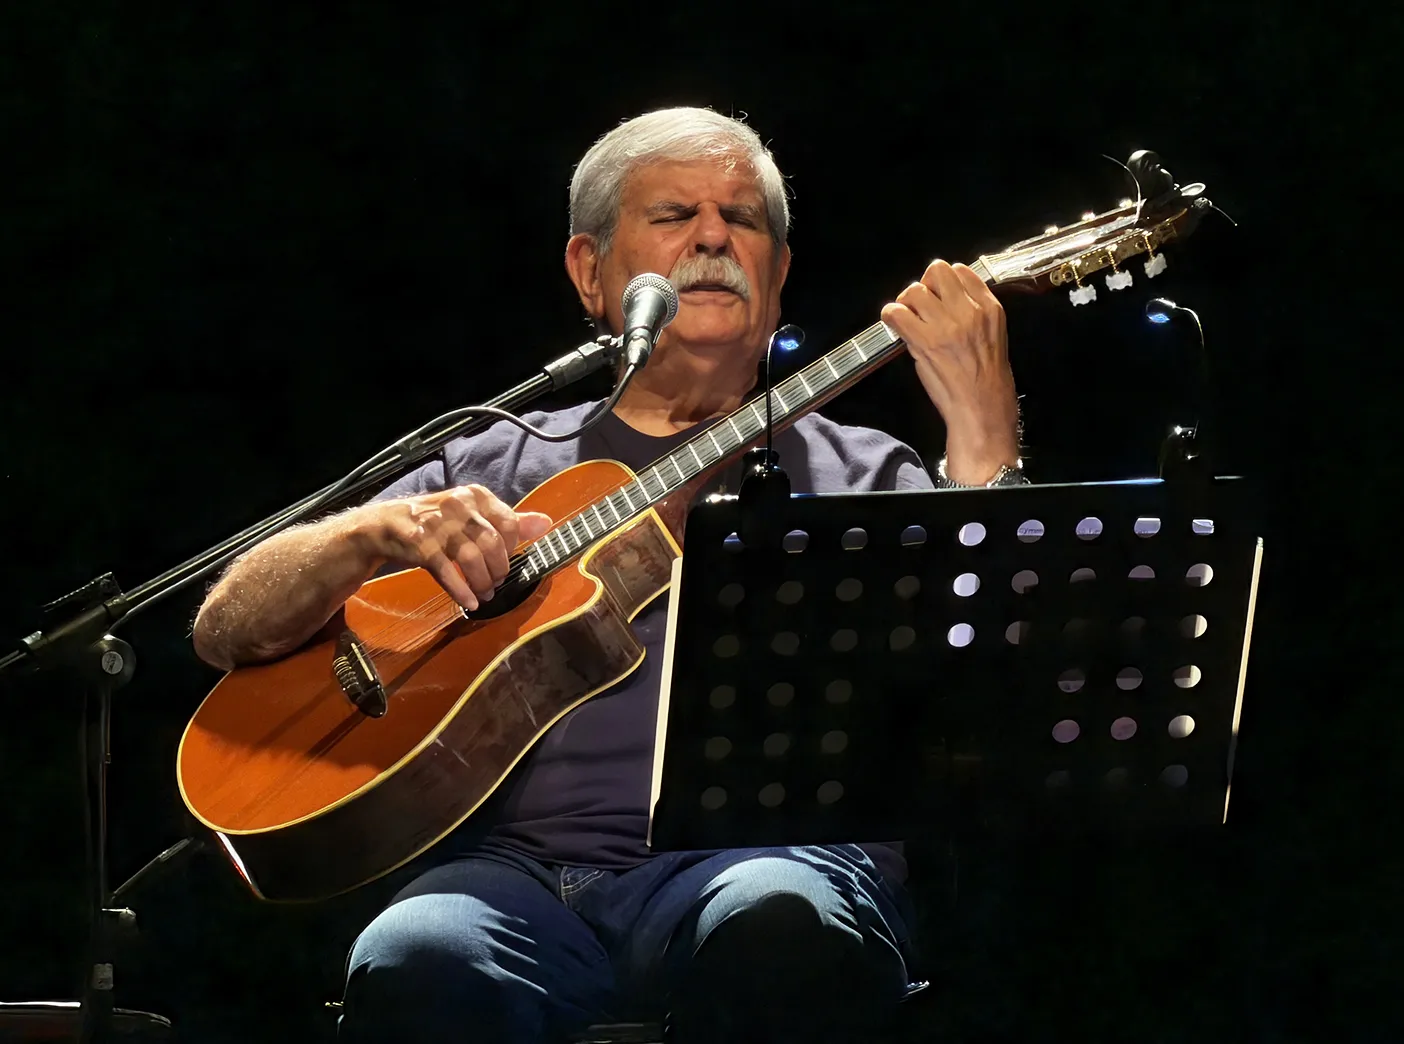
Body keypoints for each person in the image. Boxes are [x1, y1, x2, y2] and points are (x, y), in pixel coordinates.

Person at [191, 106, 1025, 1043]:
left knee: (778, 922)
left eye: (742, 219)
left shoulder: (865, 473)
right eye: (673, 215)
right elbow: (228, 629)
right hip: (508, 878)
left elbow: (996, 690)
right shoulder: (494, 460)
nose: (712, 236)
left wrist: (985, 438)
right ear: (590, 272)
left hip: (766, 859)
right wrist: (373, 533)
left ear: (780, 273)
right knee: (416, 954)